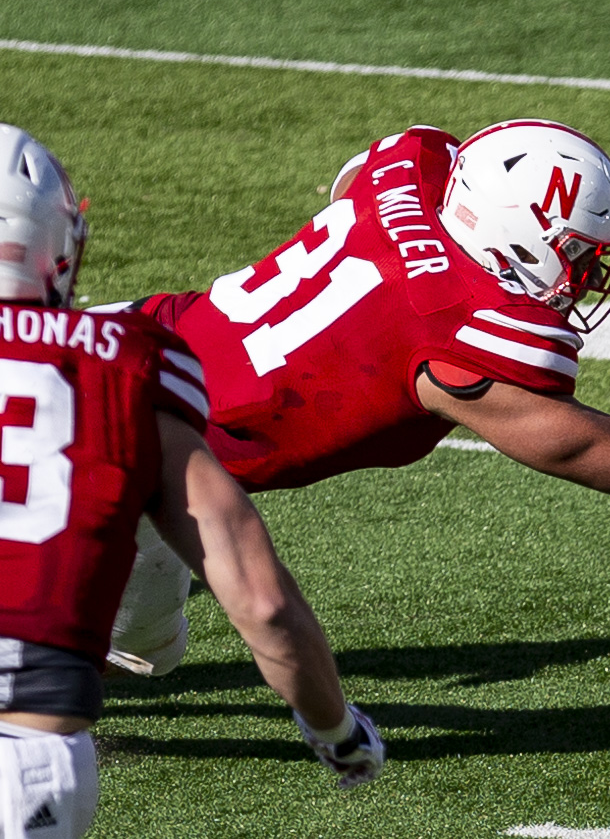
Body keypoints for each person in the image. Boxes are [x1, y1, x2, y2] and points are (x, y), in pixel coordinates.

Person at [107, 118, 610, 678]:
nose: (583, 276)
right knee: (93, 651)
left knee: (147, 642)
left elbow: (347, 189)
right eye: (575, 253)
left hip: (126, 338)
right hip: (129, 449)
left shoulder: (413, 167)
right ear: (519, 236)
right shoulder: (465, 338)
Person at [0, 125, 383, 839]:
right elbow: (261, 600)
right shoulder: (126, 365)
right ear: (58, 244)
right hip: (30, 753)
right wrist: (336, 728)